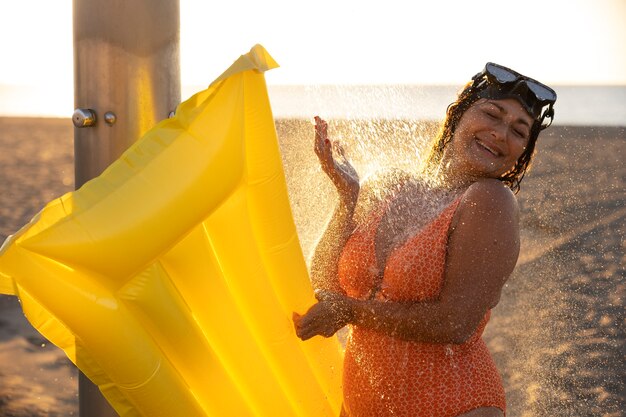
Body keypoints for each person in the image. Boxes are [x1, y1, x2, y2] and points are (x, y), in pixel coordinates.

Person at [293, 63, 557, 417]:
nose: (499, 133)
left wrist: (349, 312)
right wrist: (346, 198)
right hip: (361, 405)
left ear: (521, 154)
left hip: (453, 405)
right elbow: (325, 285)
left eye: (518, 131)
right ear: (459, 114)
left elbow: (456, 323)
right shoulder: (391, 184)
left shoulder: (489, 200)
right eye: (492, 114)